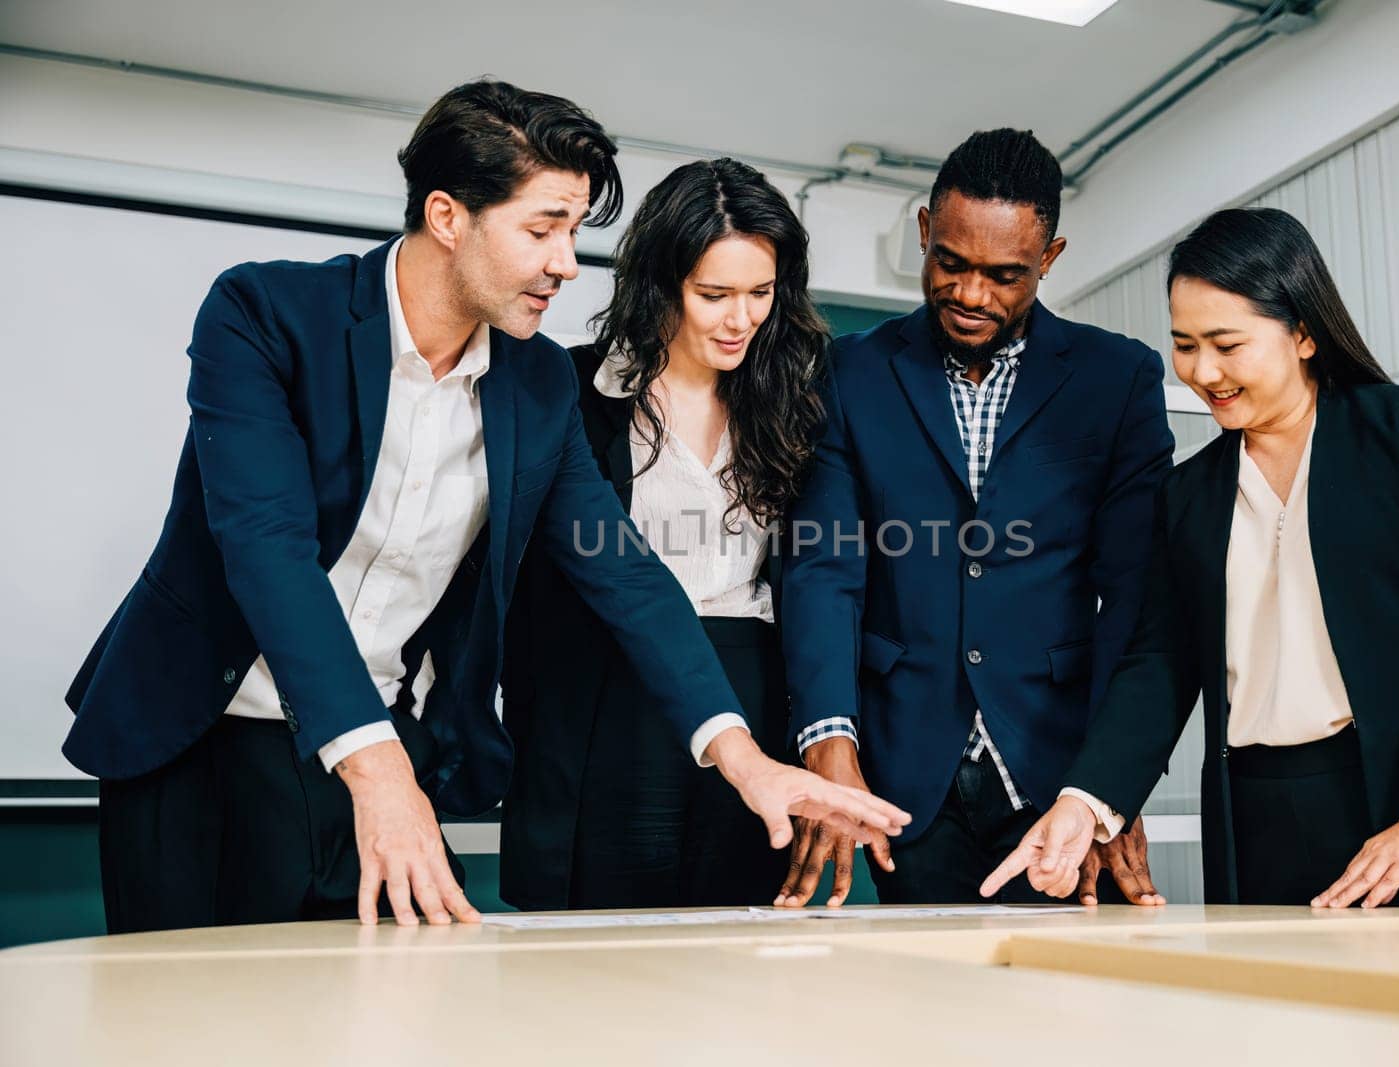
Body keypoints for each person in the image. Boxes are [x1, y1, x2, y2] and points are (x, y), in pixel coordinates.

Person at [64, 80, 908, 935]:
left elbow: (626, 575)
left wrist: (745, 759)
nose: (567, 262)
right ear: (447, 216)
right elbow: (267, 549)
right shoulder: (266, 314)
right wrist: (379, 768)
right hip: (204, 737)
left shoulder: (537, 381)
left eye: (574, 232)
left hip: (386, 745)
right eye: (543, 229)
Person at [981, 208, 1399, 920]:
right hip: (1263, 821)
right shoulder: (1187, 494)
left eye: (1226, 344)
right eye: (1184, 345)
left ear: (1303, 332)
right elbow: (1157, 665)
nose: (1203, 371)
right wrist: (1082, 804)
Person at [777, 129, 1174, 908]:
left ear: (1050, 258)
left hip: (1058, 779)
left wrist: (1110, 786)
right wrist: (828, 740)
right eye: (951, 263)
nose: (971, 295)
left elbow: (1136, 596)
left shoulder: (1117, 377)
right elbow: (824, 567)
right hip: (901, 773)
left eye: (1005, 275)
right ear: (925, 230)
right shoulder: (847, 372)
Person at [499, 158, 829, 910]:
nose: (740, 318)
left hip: (753, 691)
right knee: (601, 951)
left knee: (733, 948)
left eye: (760, 294)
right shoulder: (573, 391)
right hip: (606, 693)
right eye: (713, 294)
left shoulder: (796, 406)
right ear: (660, 282)